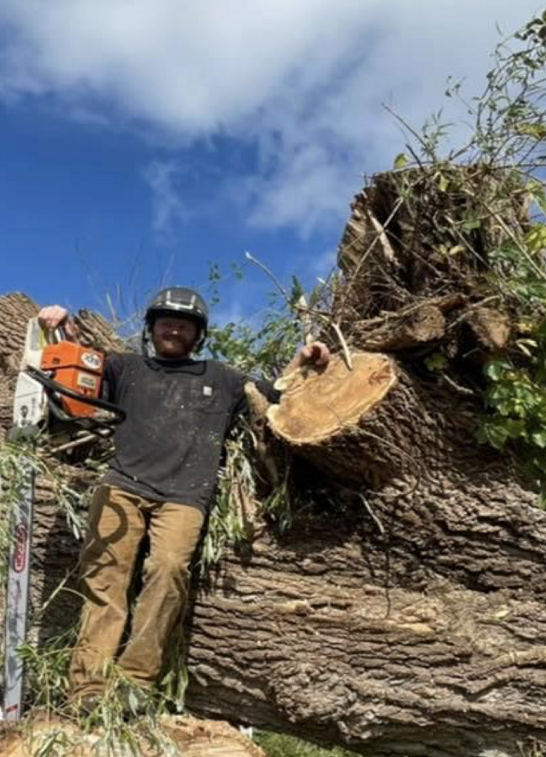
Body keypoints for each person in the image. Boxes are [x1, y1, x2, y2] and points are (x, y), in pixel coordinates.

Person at [35, 287, 329, 706]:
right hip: (121, 486)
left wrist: (301, 362)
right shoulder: (125, 368)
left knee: (169, 572)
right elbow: (77, 367)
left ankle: (133, 686)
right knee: (105, 584)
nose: (173, 328)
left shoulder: (223, 379)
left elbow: (272, 400)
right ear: (151, 328)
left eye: (184, 324)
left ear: (198, 334)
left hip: (185, 496)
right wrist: (58, 325)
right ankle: (87, 690)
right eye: (166, 321)